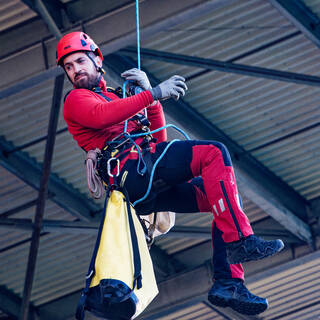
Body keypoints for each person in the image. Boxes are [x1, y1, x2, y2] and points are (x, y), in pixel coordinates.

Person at [56, 31, 284, 316]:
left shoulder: (115, 96)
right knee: (214, 153)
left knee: (219, 194)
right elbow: (104, 115)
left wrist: (151, 100)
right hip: (131, 173)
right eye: (69, 66)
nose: (76, 70)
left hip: (145, 173)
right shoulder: (76, 100)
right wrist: (153, 93)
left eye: (80, 61)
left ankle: (229, 282)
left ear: (96, 60)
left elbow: (158, 140)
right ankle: (240, 241)